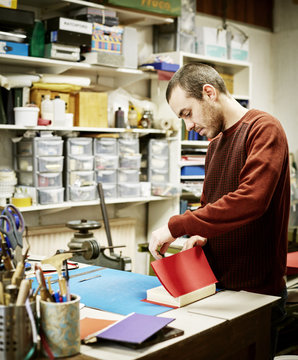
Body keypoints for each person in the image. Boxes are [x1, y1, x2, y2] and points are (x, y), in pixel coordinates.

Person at [149, 62, 290, 358]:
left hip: (257, 296)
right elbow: (213, 207)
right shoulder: (214, 147)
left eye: (187, 113)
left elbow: (251, 200)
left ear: (209, 93)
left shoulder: (263, 129)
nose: (188, 126)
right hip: (217, 291)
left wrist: (177, 226)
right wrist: (202, 235)